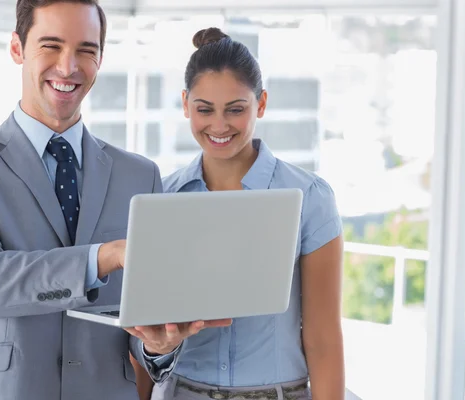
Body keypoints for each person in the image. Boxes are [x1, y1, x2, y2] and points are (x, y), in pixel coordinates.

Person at [0, 3, 228, 400]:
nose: (68, 67)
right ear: (17, 48)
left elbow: (143, 316)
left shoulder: (140, 175)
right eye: (51, 46)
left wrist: (159, 346)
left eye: (86, 50)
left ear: (101, 58)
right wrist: (101, 257)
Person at [143, 27, 346, 400]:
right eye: (205, 109)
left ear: (261, 104)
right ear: (186, 104)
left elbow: (322, 338)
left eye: (236, 110)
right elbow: (143, 333)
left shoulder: (309, 198)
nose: (219, 126)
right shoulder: (161, 199)